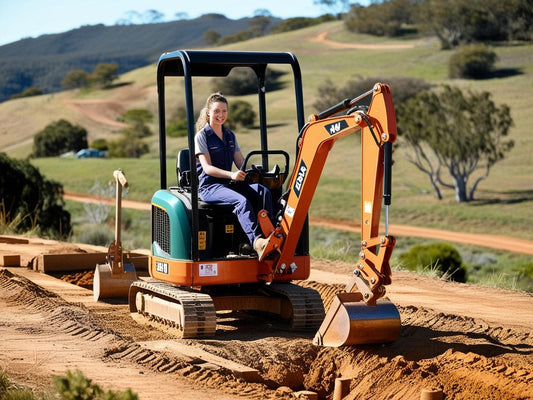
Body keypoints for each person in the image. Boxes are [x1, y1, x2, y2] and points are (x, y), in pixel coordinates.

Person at [194, 92, 272, 257]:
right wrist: (232, 175)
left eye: (224, 111)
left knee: (262, 192)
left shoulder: (230, 135)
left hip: (227, 184)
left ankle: (271, 237)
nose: (220, 115)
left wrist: (254, 170)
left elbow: (239, 161)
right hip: (210, 187)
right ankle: (258, 242)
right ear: (208, 112)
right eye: (216, 111)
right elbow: (207, 168)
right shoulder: (201, 136)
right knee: (241, 201)